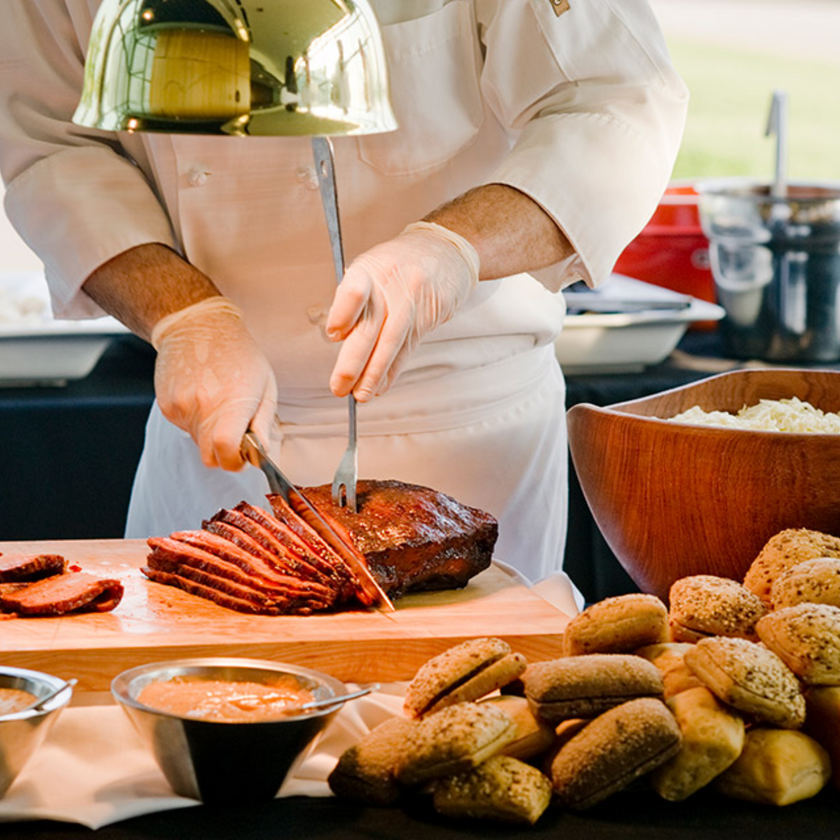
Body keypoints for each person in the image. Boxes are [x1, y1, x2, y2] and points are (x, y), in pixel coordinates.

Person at [0, 0, 687, 607]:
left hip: (467, 432)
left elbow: (616, 102)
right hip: (214, 445)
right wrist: (183, 315)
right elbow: (50, 144)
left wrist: (451, 248)